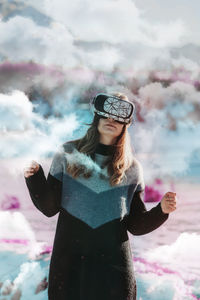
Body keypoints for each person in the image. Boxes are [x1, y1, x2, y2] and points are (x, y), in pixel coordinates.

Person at [24, 92, 177, 300]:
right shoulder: (67, 153)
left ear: (125, 125)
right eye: (106, 115)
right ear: (96, 117)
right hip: (70, 265)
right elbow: (49, 208)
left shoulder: (131, 169)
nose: (111, 120)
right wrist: (34, 176)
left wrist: (162, 211)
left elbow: (136, 225)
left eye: (118, 118)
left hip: (114, 271)